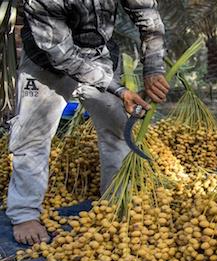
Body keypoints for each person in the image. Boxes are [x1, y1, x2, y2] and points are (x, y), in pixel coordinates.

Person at [8, 1, 170, 245]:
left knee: (117, 130)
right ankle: (24, 214)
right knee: (32, 136)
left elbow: (148, 17)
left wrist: (153, 68)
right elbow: (63, 56)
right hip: (47, 62)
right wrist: (118, 90)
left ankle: (116, 202)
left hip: (97, 55)